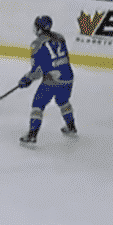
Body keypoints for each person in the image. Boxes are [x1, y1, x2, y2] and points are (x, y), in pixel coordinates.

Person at [18, 16, 77, 145]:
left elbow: (37, 71)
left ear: (38, 28)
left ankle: (32, 135)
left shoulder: (37, 44)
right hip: (68, 77)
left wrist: (26, 79)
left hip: (52, 80)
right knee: (63, 101)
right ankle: (71, 127)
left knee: (37, 105)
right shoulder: (60, 37)